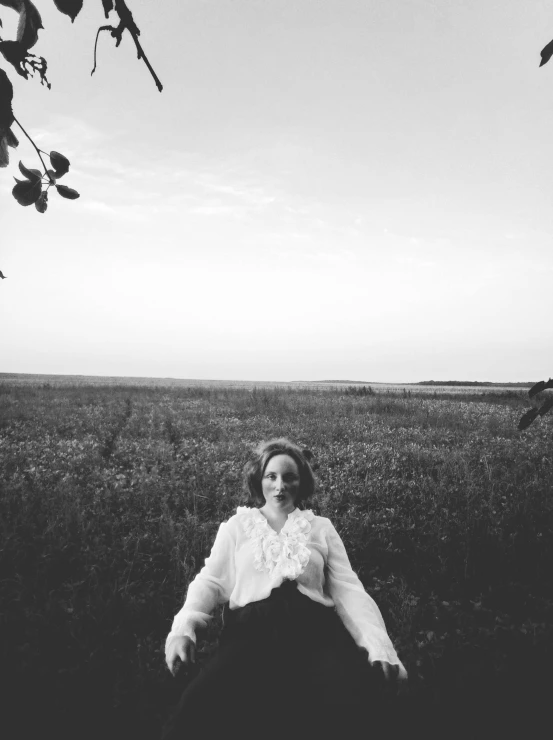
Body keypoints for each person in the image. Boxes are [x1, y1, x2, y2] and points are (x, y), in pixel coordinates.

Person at [162, 438, 408, 739]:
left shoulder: (321, 528)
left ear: (300, 482)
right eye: (272, 476)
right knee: (196, 709)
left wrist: (379, 648)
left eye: (289, 477)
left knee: (350, 707)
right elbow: (210, 581)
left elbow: (348, 590)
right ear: (259, 480)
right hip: (248, 635)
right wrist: (184, 628)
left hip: (315, 634)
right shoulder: (237, 526)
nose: (280, 485)